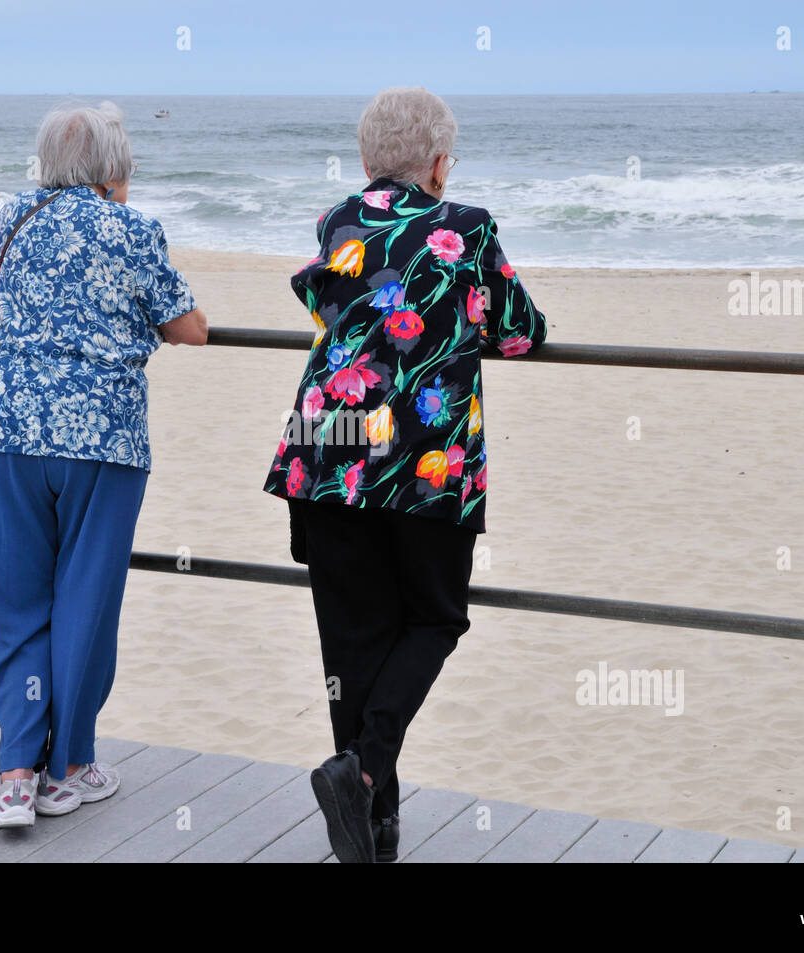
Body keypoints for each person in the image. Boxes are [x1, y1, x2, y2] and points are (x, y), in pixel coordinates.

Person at [263, 86, 548, 861]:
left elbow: (331, 311)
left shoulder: (339, 220)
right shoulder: (467, 226)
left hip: (329, 447)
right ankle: (360, 780)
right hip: (426, 458)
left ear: (365, 162)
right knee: (435, 617)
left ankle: (373, 817)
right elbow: (522, 331)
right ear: (439, 164)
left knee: (352, 639)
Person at [0, 102, 208, 828]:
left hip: (4, 428)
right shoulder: (131, 229)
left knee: (16, 601)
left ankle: (15, 774)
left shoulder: (14, 217)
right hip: (99, 438)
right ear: (114, 169)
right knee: (84, 598)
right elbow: (187, 328)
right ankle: (69, 765)